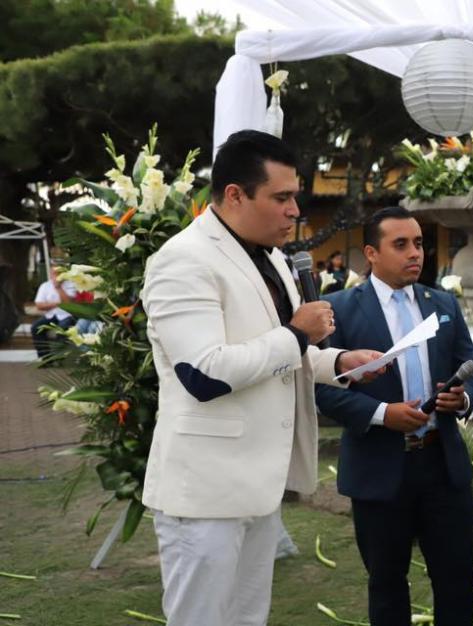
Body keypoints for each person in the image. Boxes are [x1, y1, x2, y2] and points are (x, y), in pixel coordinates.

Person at [140, 130, 381, 626]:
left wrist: (336, 364)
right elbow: (204, 373)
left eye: (296, 196)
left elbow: (278, 355)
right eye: (282, 197)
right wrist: (297, 335)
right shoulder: (182, 261)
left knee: (249, 619)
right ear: (235, 194)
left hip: (260, 485)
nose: (296, 210)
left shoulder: (271, 257)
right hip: (205, 490)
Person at [316, 206, 473, 626]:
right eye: (401, 244)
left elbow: (471, 366)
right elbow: (322, 388)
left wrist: (461, 400)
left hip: (441, 465)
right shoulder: (338, 309)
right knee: (388, 584)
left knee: (457, 580)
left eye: (419, 243)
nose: (415, 253)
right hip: (379, 468)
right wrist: (381, 413)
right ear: (371, 253)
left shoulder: (441, 302)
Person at [30, 265, 77, 360]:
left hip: (66, 315)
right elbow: (39, 305)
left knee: (62, 330)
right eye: (54, 273)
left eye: (58, 273)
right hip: (50, 315)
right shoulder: (45, 286)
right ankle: (45, 357)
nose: (56, 276)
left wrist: (59, 288)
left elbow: (68, 304)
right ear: (51, 274)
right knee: (35, 327)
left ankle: (59, 357)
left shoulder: (71, 285)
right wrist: (57, 304)